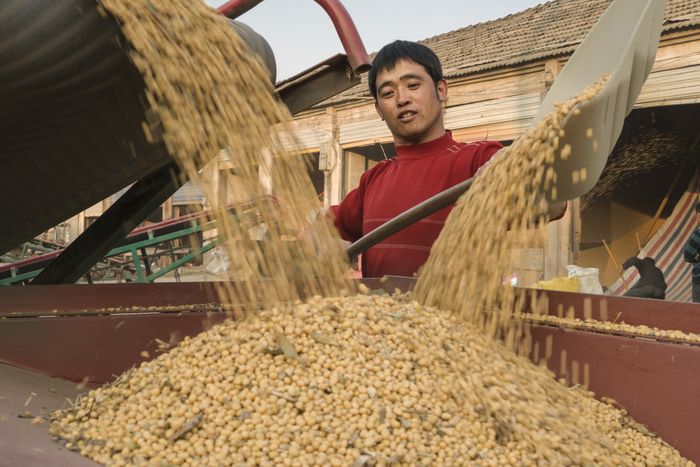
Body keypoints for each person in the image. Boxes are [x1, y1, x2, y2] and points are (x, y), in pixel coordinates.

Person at [330, 40, 564, 278]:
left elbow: (550, 203)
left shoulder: (476, 159)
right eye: (388, 93)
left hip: (459, 313)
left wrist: (518, 170)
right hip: (380, 313)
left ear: (441, 90)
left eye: (412, 85)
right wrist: (320, 243)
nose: (402, 99)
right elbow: (319, 228)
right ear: (379, 110)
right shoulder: (373, 180)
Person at [683, 201, 700, 302]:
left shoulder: (698, 234)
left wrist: (697, 256)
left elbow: (687, 256)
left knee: (697, 313)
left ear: (698, 215)